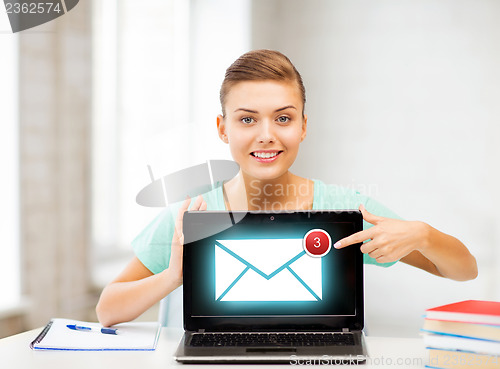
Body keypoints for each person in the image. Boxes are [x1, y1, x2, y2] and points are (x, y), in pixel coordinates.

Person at [96, 49, 478, 327]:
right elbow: (108, 310)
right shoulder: (192, 212)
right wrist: (172, 276)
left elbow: (464, 271)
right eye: (247, 119)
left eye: (283, 118)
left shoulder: (346, 209)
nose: (267, 136)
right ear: (222, 128)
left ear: (303, 127)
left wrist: (423, 235)